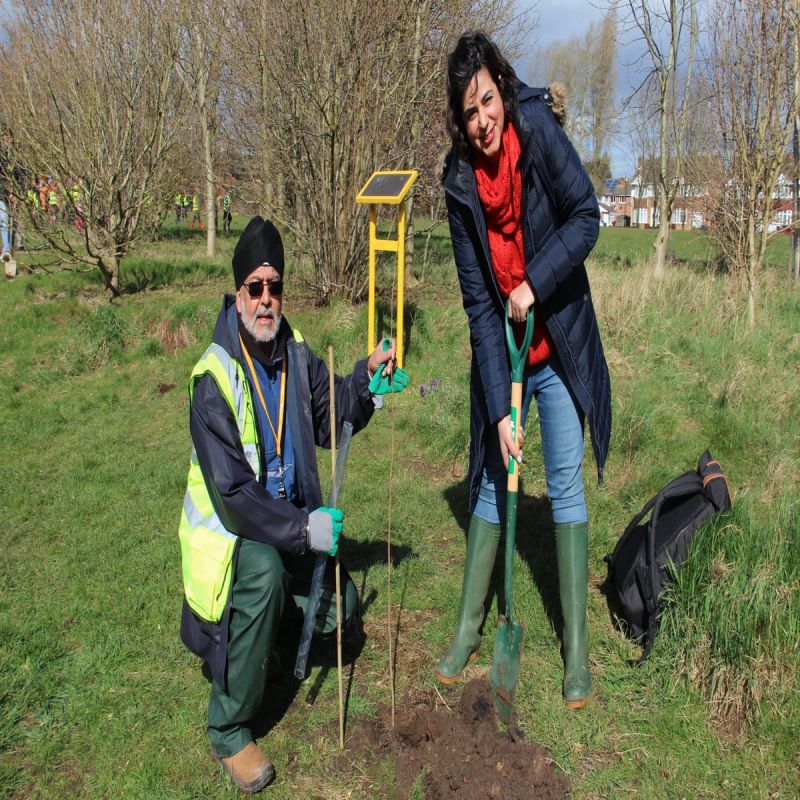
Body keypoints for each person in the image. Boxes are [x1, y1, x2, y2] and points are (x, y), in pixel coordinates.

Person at [178, 216, 407, 793]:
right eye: (254, 288)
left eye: (274, 287)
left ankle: (262, 645)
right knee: (264, 575)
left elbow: (331, 411)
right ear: (237, 295)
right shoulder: (214, 378)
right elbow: (233, 498)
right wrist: (304, 531)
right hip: (238, 547)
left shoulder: (295, 351)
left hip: (289, 531)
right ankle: (229, 728)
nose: (265, 300)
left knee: (343, 611)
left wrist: (366, 382)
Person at [436, 32, 611, 709]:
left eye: (487, 101)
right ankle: (466, 631)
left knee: (564, 486)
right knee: (488, 477)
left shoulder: (536, 130)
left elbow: (587, 216)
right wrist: (501, 413)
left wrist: (534, 282)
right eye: (469, 112)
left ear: (502, 90)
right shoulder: (458, 185)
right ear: (457, 119)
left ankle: (576, 656)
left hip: (557, 340)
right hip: (506, 354)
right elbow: (480, 309)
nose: (483, 121)